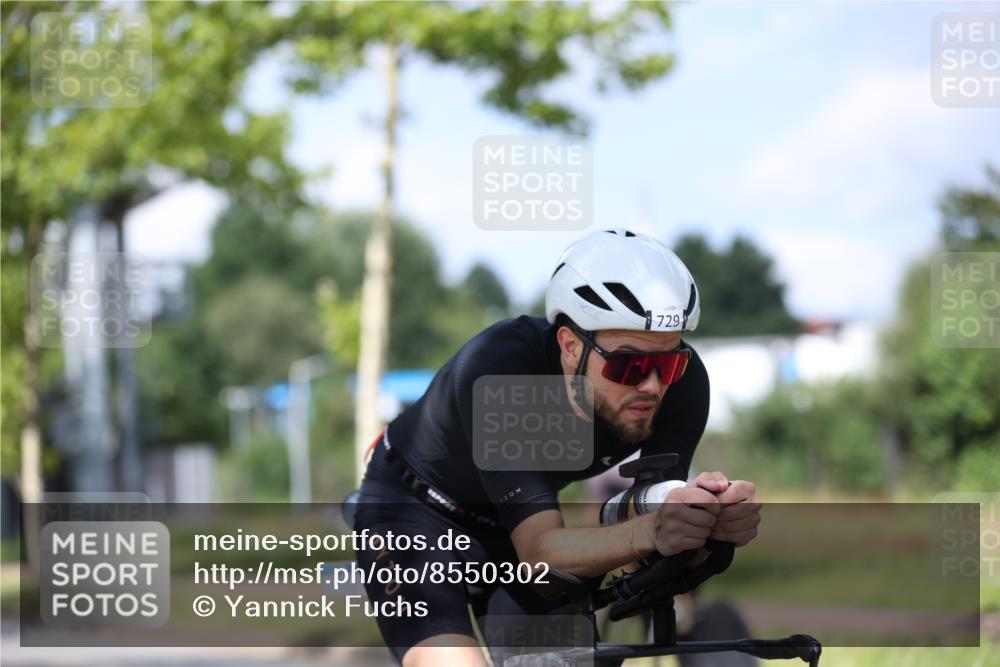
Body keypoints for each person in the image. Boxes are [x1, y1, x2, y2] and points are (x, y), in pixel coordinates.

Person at [353, 229, 761, 667]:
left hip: (511, 522)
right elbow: (540, 549)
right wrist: (652, 532)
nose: (653, 385)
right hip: (415, 512)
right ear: (570, 346)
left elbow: (644, 510)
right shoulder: (508, 372)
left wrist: (704, 520)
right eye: (630, 365)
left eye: (669, 362)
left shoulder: (683, 385)